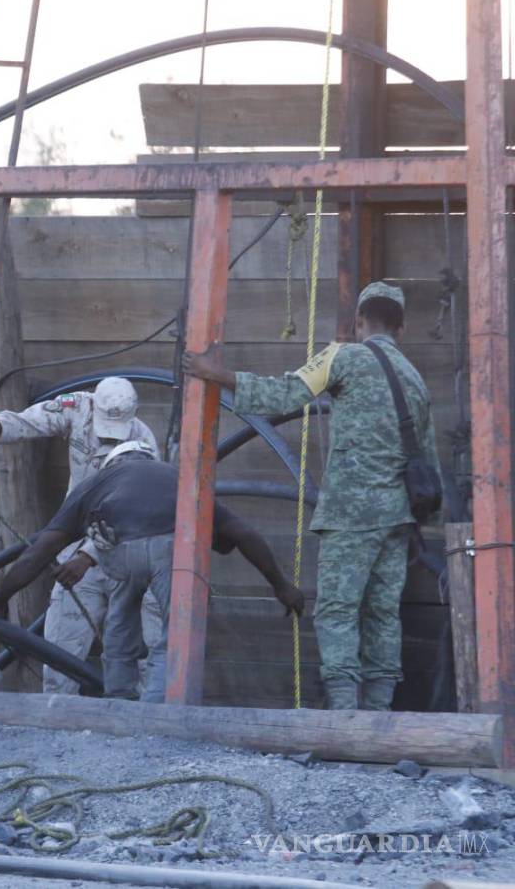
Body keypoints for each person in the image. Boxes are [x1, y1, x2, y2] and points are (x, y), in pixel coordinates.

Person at [183, 281, 437, 712]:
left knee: (337, 611)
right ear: (402, 326)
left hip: (349, 517)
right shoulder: (416, 380)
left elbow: (284, 394)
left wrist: (215, 374)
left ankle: (343, 715)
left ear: (359, 321)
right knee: (382, 615)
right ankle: (379, 717)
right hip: (398, 521)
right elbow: (426, 461)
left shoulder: (343, 355)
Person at [0, 441, 304, 701]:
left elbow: (41, 549)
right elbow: (243, 533)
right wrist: (280, 585)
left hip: (120, 551)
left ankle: (118, 698)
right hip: (170, 548)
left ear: (112, 463)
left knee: (121, 620)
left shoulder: (97, 482)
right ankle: (157, 705)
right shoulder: (179, 478)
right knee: (172, 632)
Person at [0, 377, 162, 694]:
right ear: (95, 405)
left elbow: (137, 514)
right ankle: (55, 714)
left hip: (128, 556)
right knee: (62, 649)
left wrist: (88, 557)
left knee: (141, 653)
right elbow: (26, 423)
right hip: (76, 544)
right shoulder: (76, 406)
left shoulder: (145, 444)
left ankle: (144, 724)